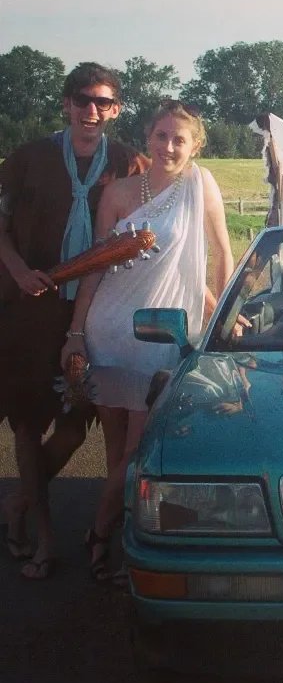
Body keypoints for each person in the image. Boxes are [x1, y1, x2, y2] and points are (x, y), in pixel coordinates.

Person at [62, 100, 233, 582]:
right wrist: (76, 334)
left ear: (196, 146)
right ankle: (120, 542)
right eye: (161, 136)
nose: (169, 147)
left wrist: (221, 311)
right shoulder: (117, 193)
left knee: (139, 452)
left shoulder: (201, 186)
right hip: (110, 328)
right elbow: (96, 267)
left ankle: (97, 534)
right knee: (117, 454)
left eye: (180, 139)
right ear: (147, 138)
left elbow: (221, 250)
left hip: (163, 332)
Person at [0, 63, 147, 579]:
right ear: (65, 104)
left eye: (103, 103)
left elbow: (157, 224)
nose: (92, 111)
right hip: (30, 310)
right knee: (27, 421)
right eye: (82, 100)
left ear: (116, 109)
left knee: (76, 421)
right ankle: (43, 538)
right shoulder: (27, 159)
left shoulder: (130, 165)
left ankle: (19, 503)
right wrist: (18, 271)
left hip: (92, 310)